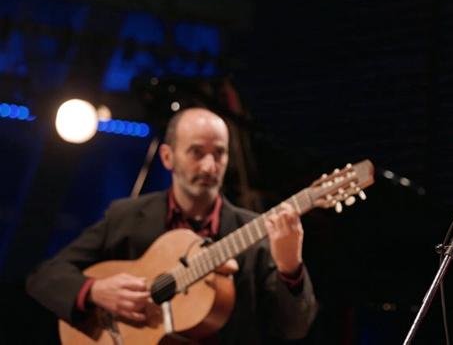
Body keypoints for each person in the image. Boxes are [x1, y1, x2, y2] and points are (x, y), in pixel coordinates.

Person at [26, 107, 317, 344]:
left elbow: (295, 328)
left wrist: (290, 268)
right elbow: (44, 276)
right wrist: (95, 290)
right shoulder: (126, 217)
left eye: (219, 153)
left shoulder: (254, 231)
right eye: (196, 152)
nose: (209, 166)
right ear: (167, 157)